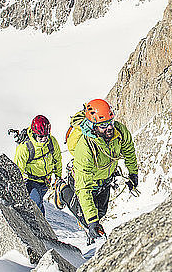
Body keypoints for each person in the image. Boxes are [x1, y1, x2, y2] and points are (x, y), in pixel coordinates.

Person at [60, 99, 139, 241]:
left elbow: (129, 151)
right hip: (84, 180)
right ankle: (62, 189)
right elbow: (83, 187)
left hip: (104, 180)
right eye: (103, 125)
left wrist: (133, 174)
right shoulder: (86, 147)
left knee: (100, 213)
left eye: (110, 122)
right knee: (87, 218)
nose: (109, 128)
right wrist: (91, 221)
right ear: (92, 126)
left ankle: (92, 230)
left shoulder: (119, 132)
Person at [14, 115, 62, 216]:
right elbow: (18, 168)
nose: (44, 139)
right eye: (41, 137)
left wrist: (58, 177)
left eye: (46, 135)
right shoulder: (25, 147)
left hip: (45, 181)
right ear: (35, 134)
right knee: (37, 205)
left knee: (39, 201)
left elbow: (57, 159)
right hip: (31, 181)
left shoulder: (52, 142)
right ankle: (39, 229)